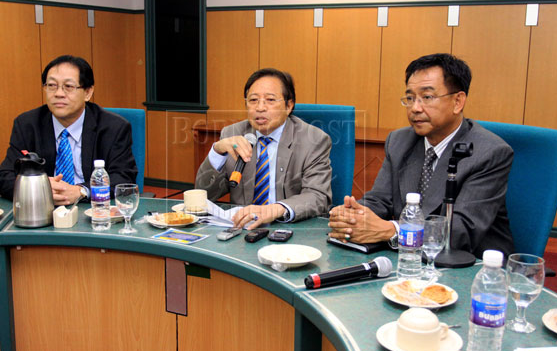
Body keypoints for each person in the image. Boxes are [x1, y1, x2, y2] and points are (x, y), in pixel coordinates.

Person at [329, 53, 514, 258]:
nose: (415, 108)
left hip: (472, 267)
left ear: (458, 101)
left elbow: (461, 231)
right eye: (410, 98)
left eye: (427, 97)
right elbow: (380, 199)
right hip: (411, 260)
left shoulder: (489, 152)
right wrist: (354, 216)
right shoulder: (399, 141)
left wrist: (392, 231)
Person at [195, 68, 332, 229]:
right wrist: (217, 152)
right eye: (253, 100)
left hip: (289, 228)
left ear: (289, 106)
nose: (260, 108)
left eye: (270, 100)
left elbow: (318, 196)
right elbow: (204, 195)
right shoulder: (232, 134)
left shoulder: (313, 140)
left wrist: (274, 210)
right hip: (242, 229)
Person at [0, 55, 137, 206]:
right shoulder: (27, 125)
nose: (58, 93)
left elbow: (123, 178)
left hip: (92, 211)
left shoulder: (113, 127)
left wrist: (81, 191)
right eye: (51, 85)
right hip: (42, 211)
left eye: (68, 86)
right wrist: (38, 187)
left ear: (88, 92)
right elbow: (5, 177)